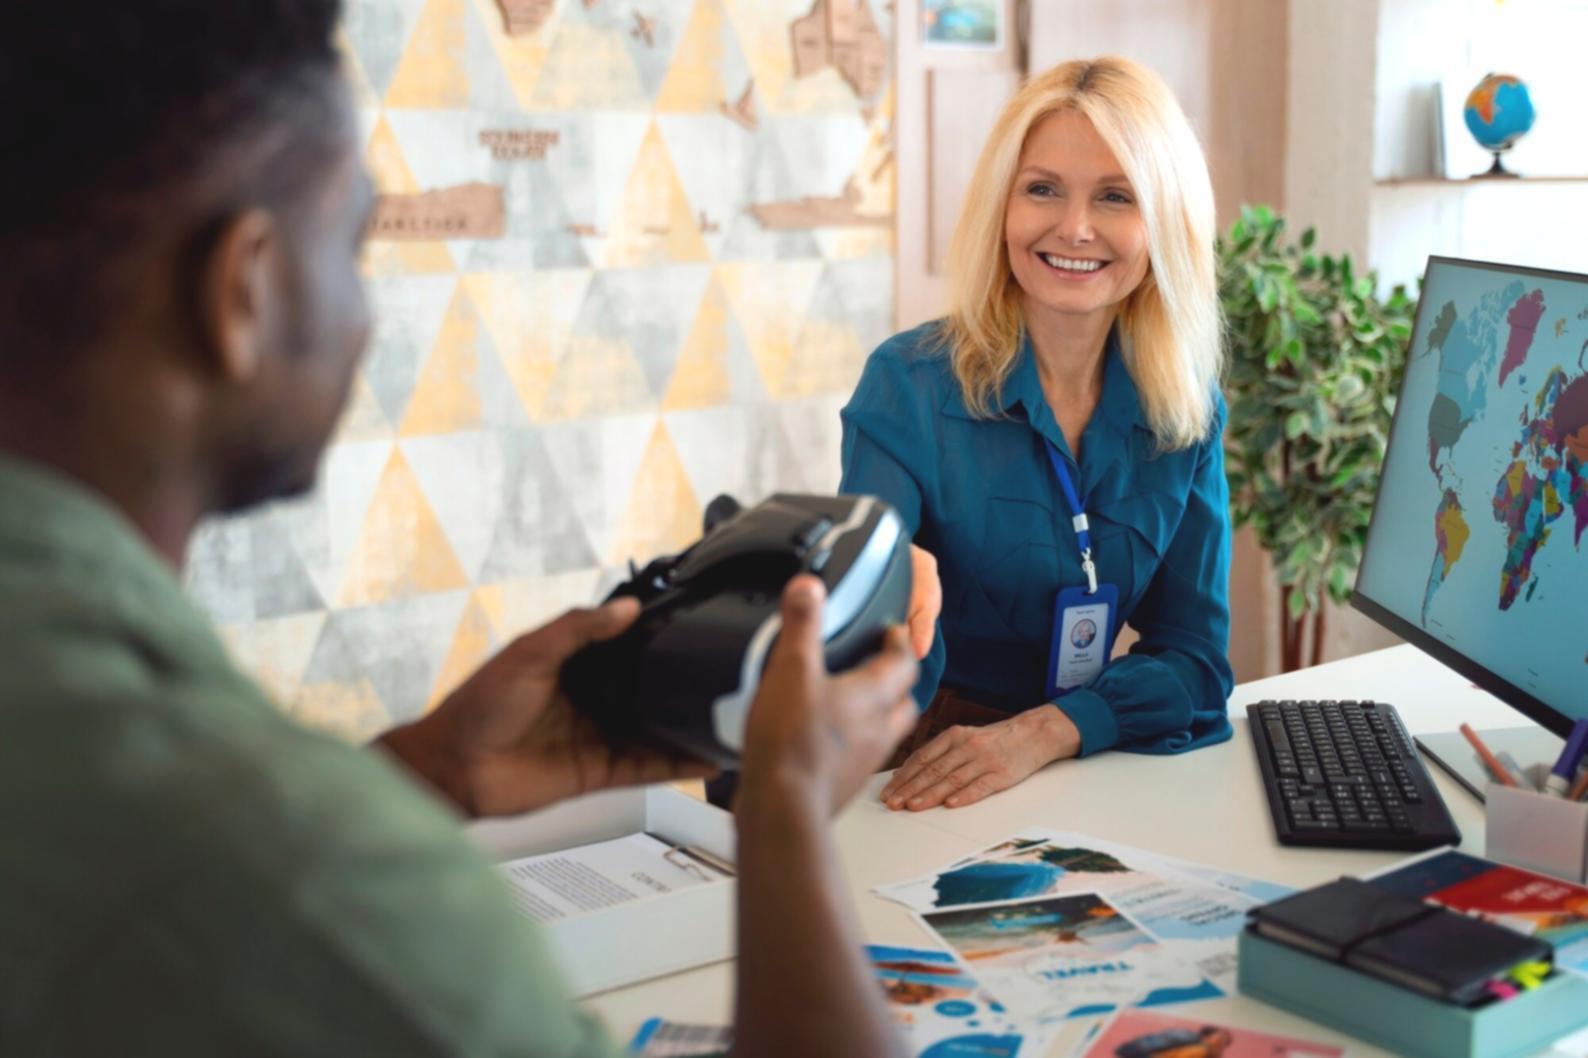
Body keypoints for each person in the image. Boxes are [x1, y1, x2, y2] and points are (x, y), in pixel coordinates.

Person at [0, 4, 918, 1055]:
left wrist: (429, 767)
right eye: (352, 242)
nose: (365, 312)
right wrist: (785, 813)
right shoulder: (312, 885)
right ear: (241, 289)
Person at [843, 56, 1234, 813]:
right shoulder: (907, 384)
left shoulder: (1187, 405)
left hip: (1080, 762)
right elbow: (871, 655)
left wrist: (1051, 731)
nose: (1075, 227)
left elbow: (1195, 661)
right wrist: (886, 609)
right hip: (918, 770)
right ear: (1003, 208)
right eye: (1043, 189)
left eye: (1116, 196)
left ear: (1164, 224)